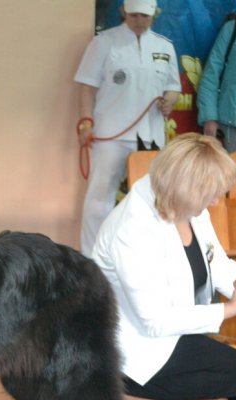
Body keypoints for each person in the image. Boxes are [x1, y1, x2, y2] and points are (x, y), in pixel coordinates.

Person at [92, 133, 236, 400]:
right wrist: (229, 310)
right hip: (138, 345)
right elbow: (154, 321)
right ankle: (108, 390)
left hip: (173, 335)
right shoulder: (132, 227)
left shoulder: (188, 207)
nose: (215, 202)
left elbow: (218, 265)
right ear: (185, 188)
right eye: (210, 194)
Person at [74, 0, 181, 255]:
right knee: (99, 200)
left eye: (144, 16)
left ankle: (144, 255)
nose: (139, 20)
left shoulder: (165, 46)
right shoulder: (103, 43)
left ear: (154, 15)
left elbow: (174, 87)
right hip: (110, 135)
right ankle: (91, 258)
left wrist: (170, 102)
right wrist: (86, 122)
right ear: (123, 13)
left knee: (153, 200)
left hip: (150, 137)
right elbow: (87, 88)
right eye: (133, 15)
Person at [198, 14, 236, 152]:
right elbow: (211, 75)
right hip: (230, 128)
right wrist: (209, 117)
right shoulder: (232, 29)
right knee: (231, 173)